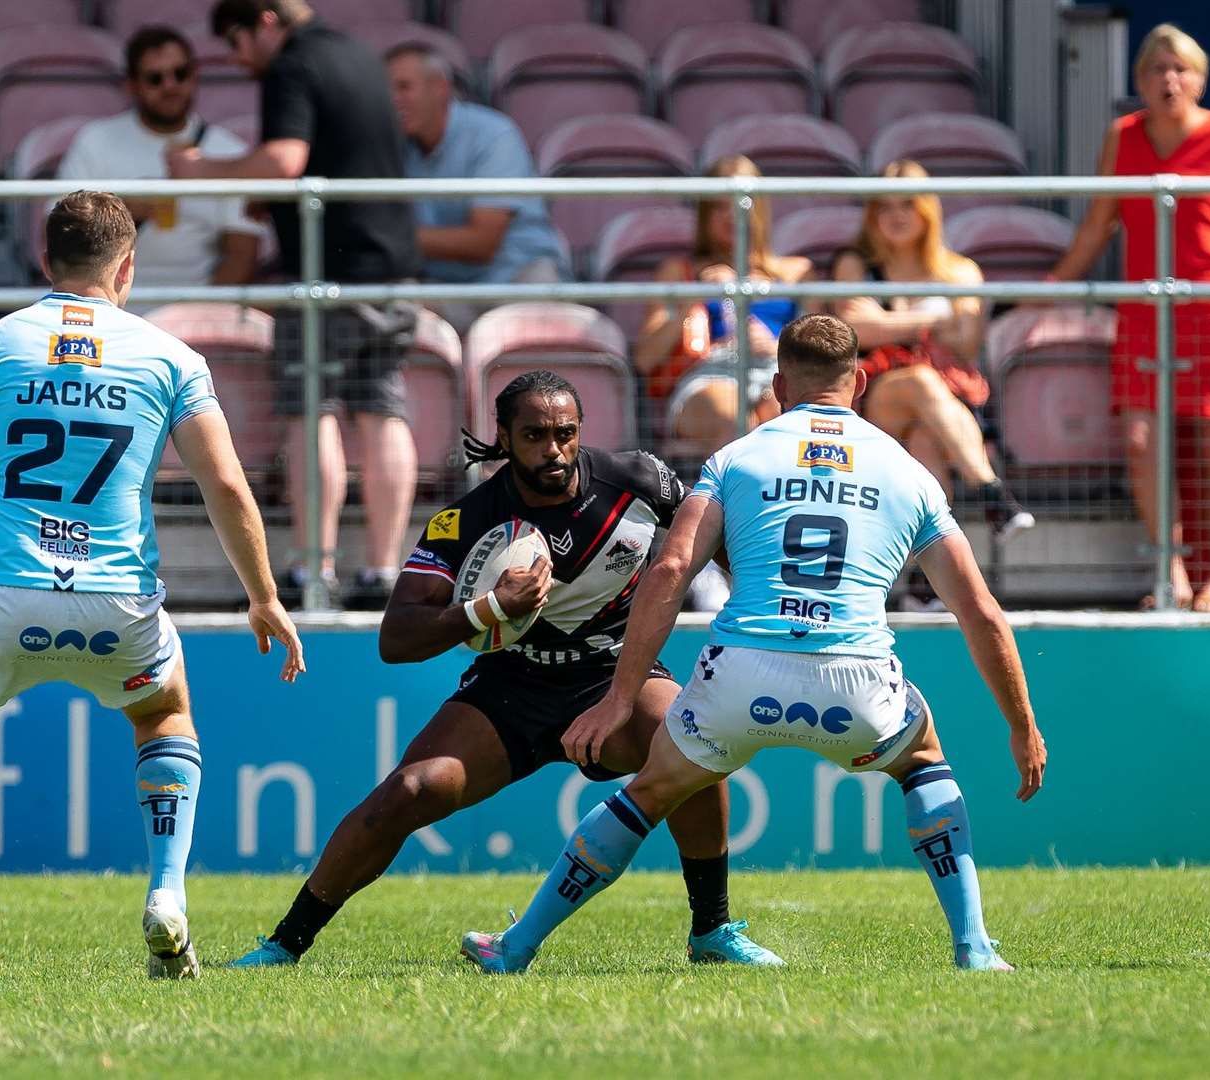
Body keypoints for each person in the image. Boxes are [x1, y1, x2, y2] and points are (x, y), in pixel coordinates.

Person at [0, 191, 305, 981]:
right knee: (164, 711)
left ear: (46, 260)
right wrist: (263, 595)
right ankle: (167, 895)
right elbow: (228, 488)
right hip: (118, 601)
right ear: (127, 266)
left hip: (2, 595)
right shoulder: (171, 357)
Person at [460, 314, 1047, 975]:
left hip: (739, 678)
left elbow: (671, 569)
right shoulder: (907, 472)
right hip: (853, 682)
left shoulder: (735, 459)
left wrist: (619, 699)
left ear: (776, 387)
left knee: (648, 793)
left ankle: (516, 947)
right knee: (923, 763)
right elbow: (979, 612)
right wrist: (1021, 725)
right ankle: (972, 948)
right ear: (857, 381)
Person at [227, 370, 777, 970]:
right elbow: (397, 637)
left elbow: (725, 543)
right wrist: (490, 608)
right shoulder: (467, 521)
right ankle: (284, 945)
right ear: (506, 437)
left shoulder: (638, 479)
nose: (554, 449)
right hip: (511, 688)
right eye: (536, 435)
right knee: (407, 793)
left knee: (693, 747)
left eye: (566, 433)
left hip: (615, 676)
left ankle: (712, 931)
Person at [1047, 23, 1210, 612]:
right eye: (1156, 69)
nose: (1169, 80)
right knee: (1142, 442)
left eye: (1180, 69)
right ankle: (1171, 573)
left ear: (1200, 78)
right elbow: (1100, 223)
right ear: (1138, 79)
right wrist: (1050, 287)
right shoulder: (1124, 135)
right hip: (1146, 302)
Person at [169, 0, 421, 610]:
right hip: (390, 263)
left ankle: (315, 573)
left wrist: (199, 171)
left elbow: (286, 161)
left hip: (325, 270)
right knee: (381, 409)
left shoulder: (292, 64)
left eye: (237, 40)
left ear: (266, 22)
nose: (238, 58)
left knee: (314, 411)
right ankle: (384, 573)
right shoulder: (360, 54)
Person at [833, 161, 1033, 544]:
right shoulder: (856, 264)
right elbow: (857, 330)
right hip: (876, 391)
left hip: (948, 398)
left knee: (927, 440)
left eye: (907, 204)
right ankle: (990, 490)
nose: (896, 216)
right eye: (885, 207)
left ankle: (924, 584)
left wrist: (889, 319)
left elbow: (967, 342)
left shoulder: (959, 271)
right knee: (920, 382)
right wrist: (934, 322)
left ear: (927, 209)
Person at [634, 156, 813, 463]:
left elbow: (821, 350)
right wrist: (694, 296)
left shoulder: (797, 273)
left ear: (761, 208)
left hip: (779, 370)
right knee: (731, 416)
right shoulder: (680, 271)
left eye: (741, 205)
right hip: (709, 374)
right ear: (704, 215)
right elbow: (646, 358)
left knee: (781, 414)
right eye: (718, 207)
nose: (730, 216)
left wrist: (776, 347)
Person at [56, 26, 264, 288]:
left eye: (180, 74)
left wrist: (199, 314)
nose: (170, 86)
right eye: (155, 78)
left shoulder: (229, 151)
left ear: (195, 75)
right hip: (110, 306)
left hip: (199, 315)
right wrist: (123, 208)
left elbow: (243, 252)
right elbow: (59, 234)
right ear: (131, 86)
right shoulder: (94, 142)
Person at [385, 42, 565, 332]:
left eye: (404, 87)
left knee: (533, 366)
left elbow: (482, 243)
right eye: (388, 91)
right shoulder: (396, 147)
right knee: (386, 316)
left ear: (440, 88)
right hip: (448, 288)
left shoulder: (492, 134)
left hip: (517, 281)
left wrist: (392, 237)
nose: (394, 100)